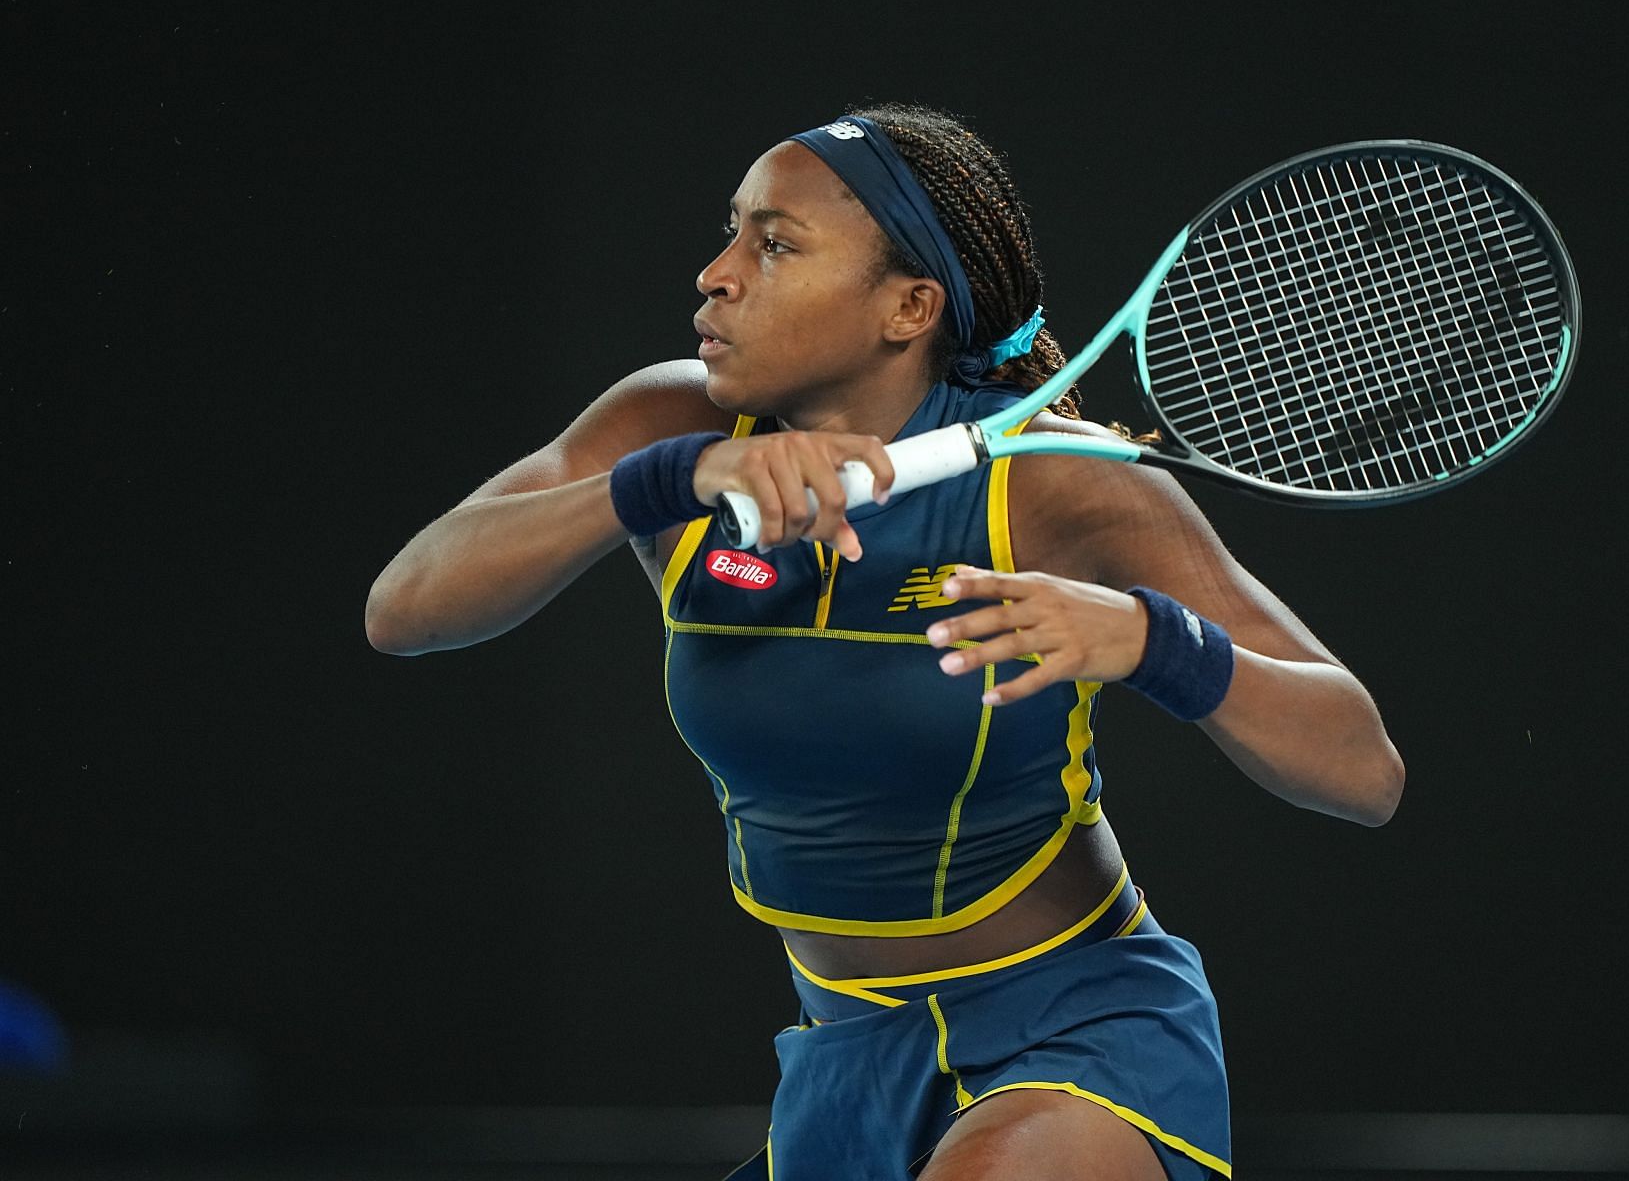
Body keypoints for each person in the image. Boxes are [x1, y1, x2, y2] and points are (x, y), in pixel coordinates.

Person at [366, 103, 1404, 1181]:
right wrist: (657, 483)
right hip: (846, 1052)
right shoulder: (671, 431)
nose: (717, 273)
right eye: (731, 232)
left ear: (908, 306)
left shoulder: (1058, 478)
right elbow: (406, 608)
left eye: (774, 243)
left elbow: (1363, 767)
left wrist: (1152, 640)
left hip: (1075, 1032)